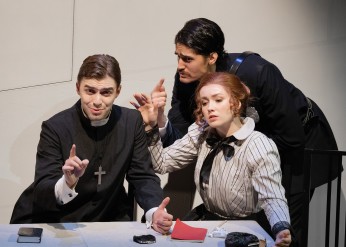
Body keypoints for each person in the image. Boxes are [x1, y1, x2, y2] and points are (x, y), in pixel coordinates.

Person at [135, 18, 341, 245]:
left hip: (296, 144)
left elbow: (290, 138)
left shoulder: (258, 73)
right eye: (203, 102)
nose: (180, 65)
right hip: (238, 159)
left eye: (187, 58)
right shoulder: (190, 86)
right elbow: (180, 138)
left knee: (280, 230)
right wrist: (156, 124)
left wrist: (243, 150)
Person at [10, 54, 173, 235]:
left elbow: (142, 176)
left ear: (118, 91)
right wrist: (67, 183)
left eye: (106, 92)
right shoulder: (55, 127)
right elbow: (42, 189)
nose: (97, 101)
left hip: (109, 219)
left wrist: (154, 212)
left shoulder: (132, 121)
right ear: (78, 88)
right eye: (90, 91)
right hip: (57, 220)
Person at [135, 72, 292, 247]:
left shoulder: (258, 145)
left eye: (218, 100)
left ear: (236, 103)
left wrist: (281, 228)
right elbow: (161, 163)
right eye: (204, 102)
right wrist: (151, 126)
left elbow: (273, 197)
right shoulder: (202, 133)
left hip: (247, 228)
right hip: (209, 223)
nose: (210, 107)